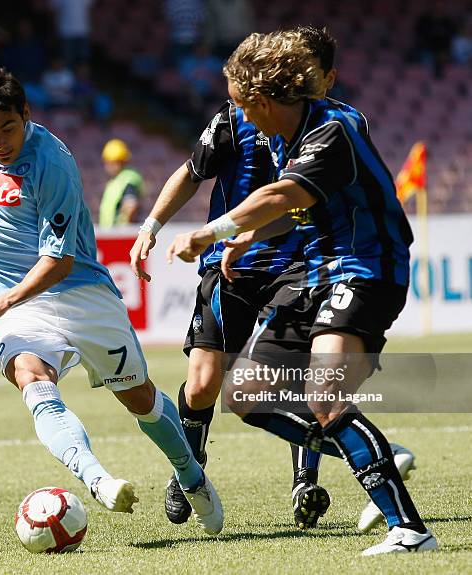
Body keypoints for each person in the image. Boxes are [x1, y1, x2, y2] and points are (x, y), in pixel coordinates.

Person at [167, 30, 437, 555]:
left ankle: (408, 530)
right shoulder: (280, 136)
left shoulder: (333, 128)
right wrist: (247, 238)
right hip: (315, 274)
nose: (240, 117)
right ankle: (366, 452)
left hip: (365, 269)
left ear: (264, 102)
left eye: (244, 106)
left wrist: (214, 230)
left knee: (326, 397)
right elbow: (294, 209)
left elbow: (282, 193)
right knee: (243, 394)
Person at [0, 68, 223, 535]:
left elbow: (59, 261)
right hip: (18, 307)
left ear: (26, 114)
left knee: (139, 398)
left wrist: (0, 301)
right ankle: (98, 480)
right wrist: (5, 302)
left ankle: (191, 474)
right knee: (33, 382)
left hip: (80, 295)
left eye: (8, 129)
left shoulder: (51, 163)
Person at [130, 26, 345, 531]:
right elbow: (191, 170)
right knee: (203, 385)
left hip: (298, 265)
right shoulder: (234, 119)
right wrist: (151, 227)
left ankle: (305, 479)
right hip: (229, 268)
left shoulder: (330, 129)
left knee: (292, 376)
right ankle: (190, 468)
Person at [99, 139, 144, 227]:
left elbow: (131, 206)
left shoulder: (129, 177)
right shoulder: (116, 180)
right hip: (111, 233)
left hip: (119, 235)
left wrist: (123, 229)